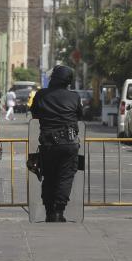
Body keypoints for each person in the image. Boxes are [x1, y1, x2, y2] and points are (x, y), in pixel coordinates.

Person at [30, 65, 83, 223]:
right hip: (69, 143)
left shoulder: (41, 94)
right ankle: (59, 212)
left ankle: (49, 211)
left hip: (48, 144)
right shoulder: (74, 97)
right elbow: (80, 115)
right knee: (65, 177)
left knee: (49, 177)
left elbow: (35, 114)